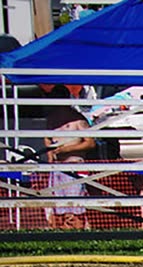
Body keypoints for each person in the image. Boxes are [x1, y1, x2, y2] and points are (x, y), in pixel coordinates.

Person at [43, 85, 94, 230]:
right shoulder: (52, 119)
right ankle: (65, 232)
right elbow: (47, 138)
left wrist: (68, 149)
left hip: (74, 165)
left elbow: (90, 143)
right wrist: (50, 154)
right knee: (60, 206)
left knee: (76, 205)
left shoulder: (77, 118)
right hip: (57, 167)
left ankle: (78, 232)